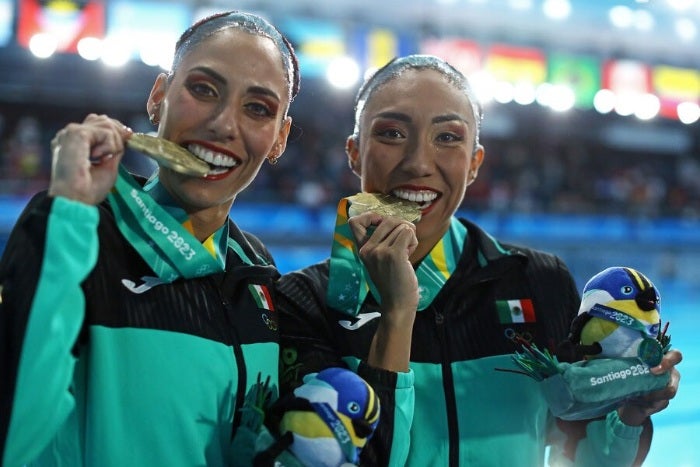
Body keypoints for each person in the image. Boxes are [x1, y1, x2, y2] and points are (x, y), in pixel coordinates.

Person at [275, 55, 682, 466]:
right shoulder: (305, 302)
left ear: (474, 163)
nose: (418, 162)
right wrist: (398, 314)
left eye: (448, 137)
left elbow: (583, 456)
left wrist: (630, 413)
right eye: (392, 133)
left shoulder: (537, 281)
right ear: (354, 153)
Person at [0, 11, 299, 467]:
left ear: (280, 138)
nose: (223, 124)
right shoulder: (80, 232)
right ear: (158, 97)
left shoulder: (257, 268)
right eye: (203, 89)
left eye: (257, 108)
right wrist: (64, 214)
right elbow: (12, 435)